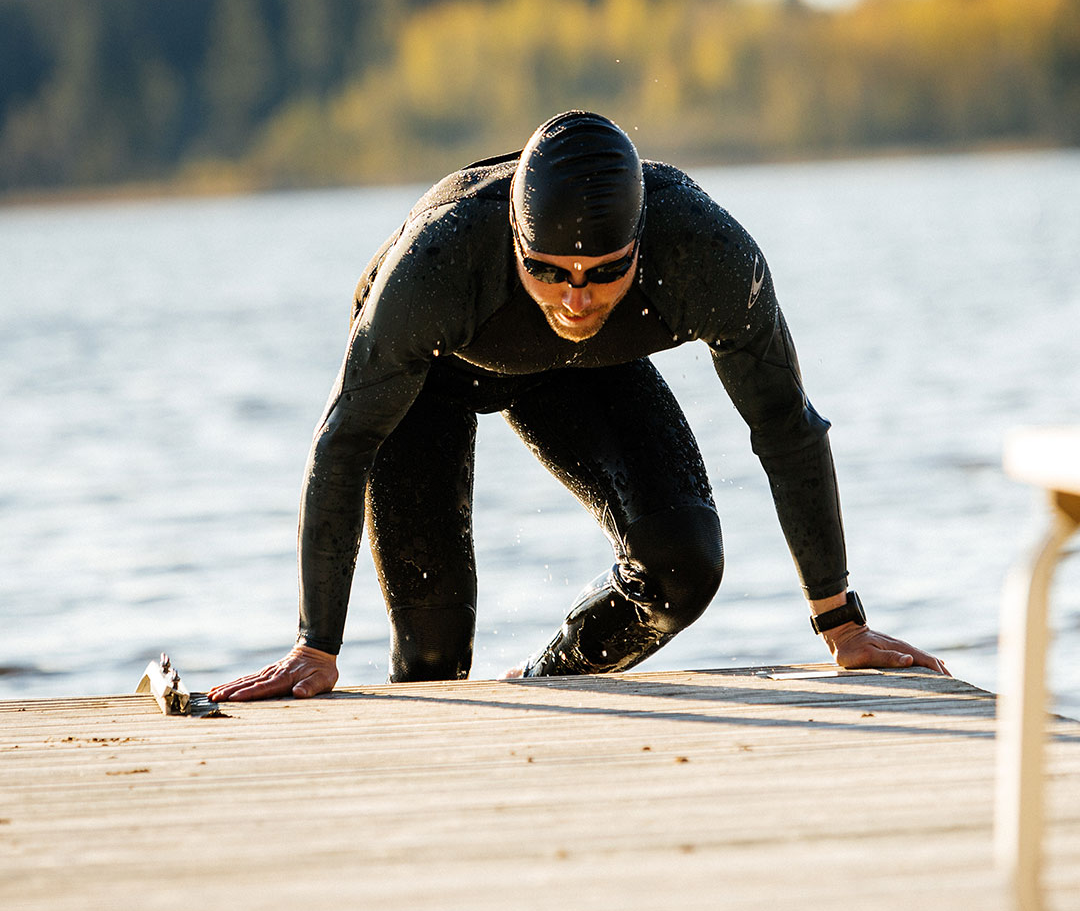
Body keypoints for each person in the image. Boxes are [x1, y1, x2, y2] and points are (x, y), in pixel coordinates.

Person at [209, 110, 946, 702]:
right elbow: (344, 443)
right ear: (515, 240)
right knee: (434, 656)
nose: (575, 298)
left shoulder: (705, 253)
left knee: (682, 564)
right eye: (549, 271)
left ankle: (544, 685)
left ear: (641, 244)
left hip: (581, 372)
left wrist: (841, 623)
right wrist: (316, 644)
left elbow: (786, 422)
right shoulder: (439, 262)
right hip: (430, 377)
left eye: (604, 273)